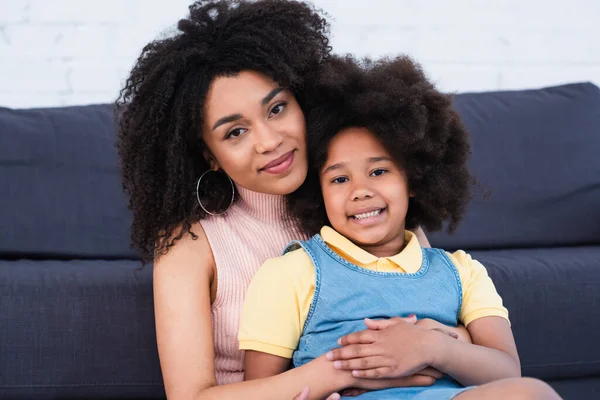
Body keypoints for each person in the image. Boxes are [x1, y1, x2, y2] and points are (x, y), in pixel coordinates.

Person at [116, 1, 447, 399]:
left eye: (277, 108)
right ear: (210, 157)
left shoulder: (365, 203)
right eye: (235, 132)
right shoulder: (190, 246)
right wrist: (338, 371)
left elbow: (445, 316)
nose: (270, 141)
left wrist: (438, 343)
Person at [239, 55, 562, 399]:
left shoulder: (462, 273)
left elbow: (506, 369)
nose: (360, 190)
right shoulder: (292, 272)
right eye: (339, 178)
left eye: (379, 171)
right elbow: (260, 389)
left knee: (531, 393)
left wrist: (433, 347)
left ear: (413, 179)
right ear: (319, 193)